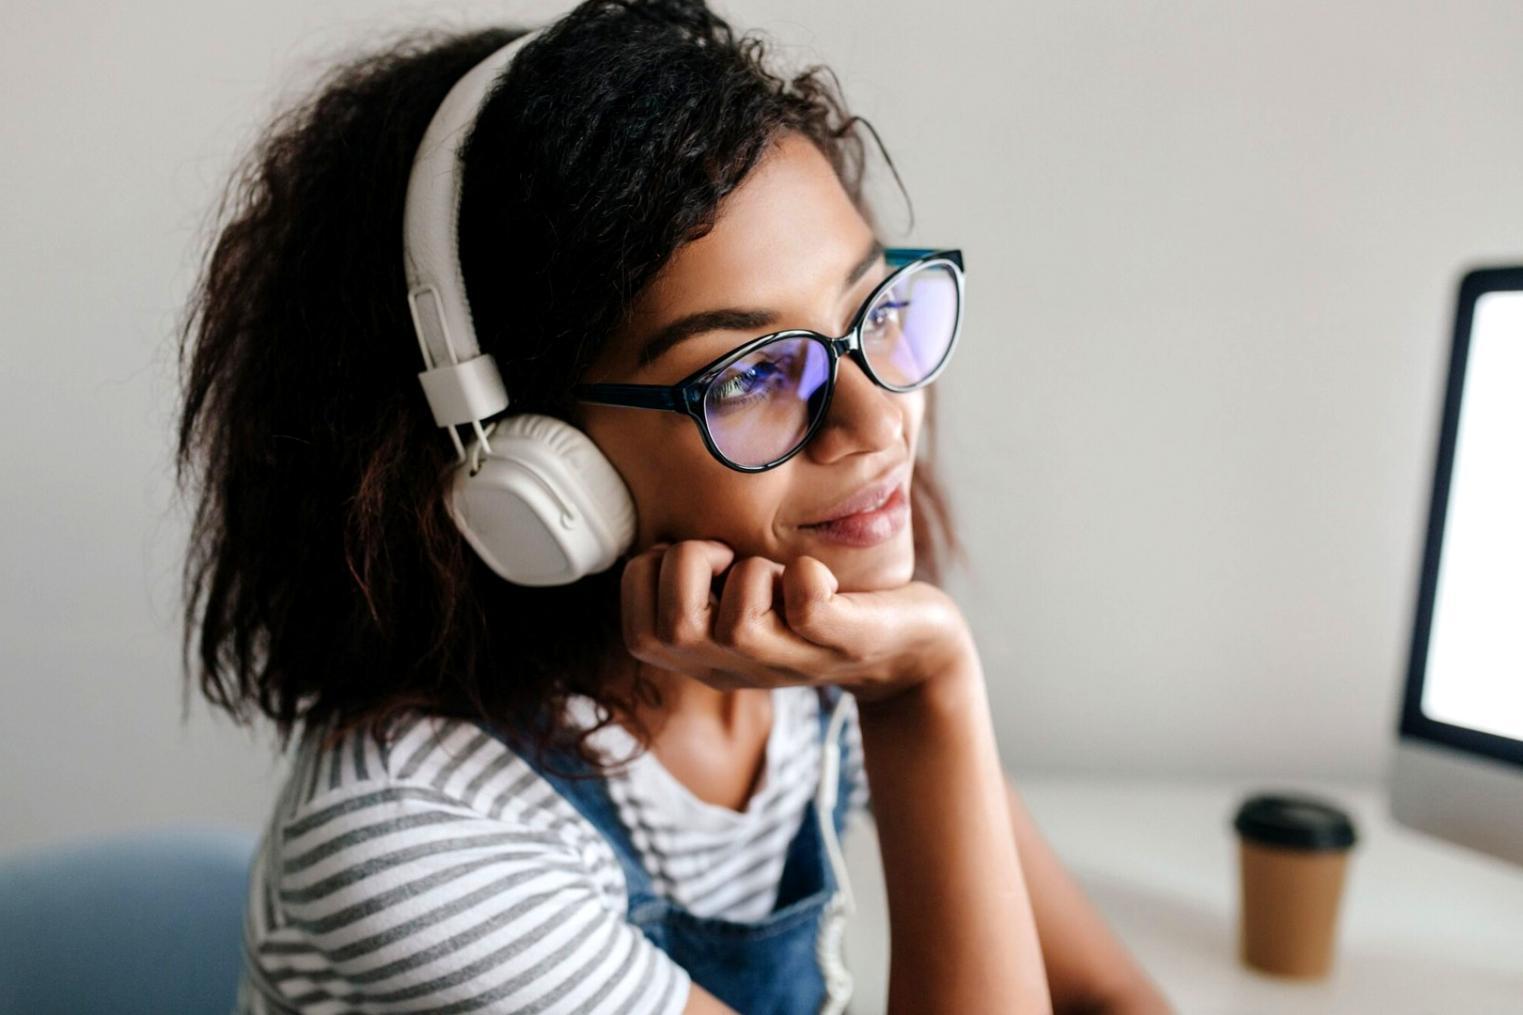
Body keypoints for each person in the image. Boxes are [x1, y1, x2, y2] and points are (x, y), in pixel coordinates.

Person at [175, 1, 1172, 1012]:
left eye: (869, 309)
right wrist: (920, 695)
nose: (877, 422)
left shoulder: (791, 639)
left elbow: (1108, 995)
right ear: (534, 465)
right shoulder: (413, 835)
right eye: (750, 376)